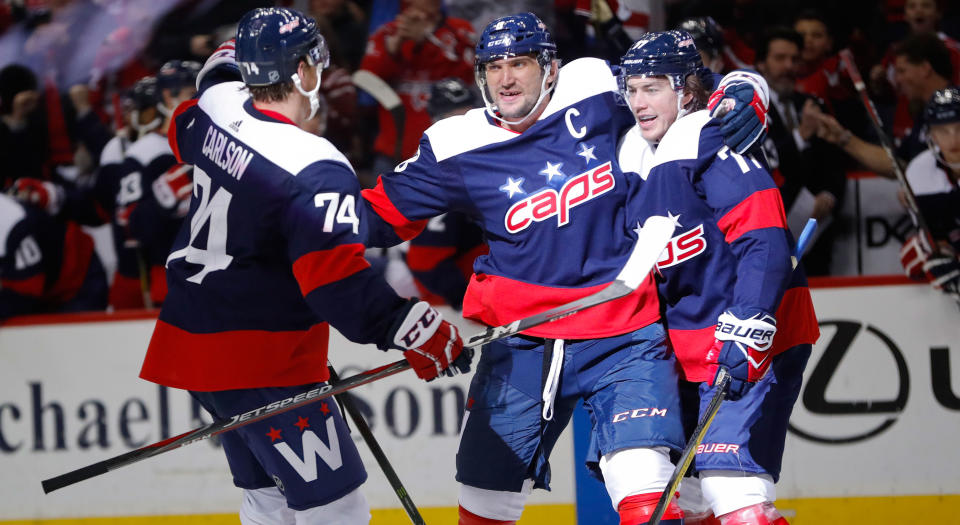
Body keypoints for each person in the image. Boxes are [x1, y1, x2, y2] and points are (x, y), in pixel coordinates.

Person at [361, 13, 769, 525]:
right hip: (521, 341)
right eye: (493, 67)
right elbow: (368, 221)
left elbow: (673, 82)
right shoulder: (454, 145)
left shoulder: (595, 85)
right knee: (486, 503)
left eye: (520, 63)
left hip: (625, 330)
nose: (506, 79)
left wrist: (743, 87)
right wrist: (292, 215)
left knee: (646, 489)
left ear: (549, 67)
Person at [137, 8, 469, 524]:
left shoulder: (213, 107)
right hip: (263, 358)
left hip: (194, 343)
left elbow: (188, 121)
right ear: (302, 72)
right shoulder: (313, 162)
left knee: (269, 499)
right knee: (337, 509)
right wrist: (411, 326)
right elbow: (333, 280)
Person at [617, 31, 820, 525]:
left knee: (733, 488)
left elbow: (766, 241)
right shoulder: (631, 152)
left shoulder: (709, 134)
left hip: (749, 331)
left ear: (687, 90)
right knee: (685, 497)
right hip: (687, 343)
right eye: (633, 89)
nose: (639, 102)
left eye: (653, 87)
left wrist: (751, 321)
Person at [753, 27, 846, 276]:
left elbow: (835, 162)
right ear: (761, 64)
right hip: (771, 232)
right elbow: (764, 165)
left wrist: (829, 195)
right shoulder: (751, 111)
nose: (789, 66)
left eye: (794, 59)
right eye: (780, 58)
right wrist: (801, 135)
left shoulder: (812, 104)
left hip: (816, 235)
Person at [899, 87, 960, 298]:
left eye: (959, 128)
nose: (953, 141)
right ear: (930, 134)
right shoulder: (919, 170)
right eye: (943, 131)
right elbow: (934, 236)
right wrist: (933, 250)